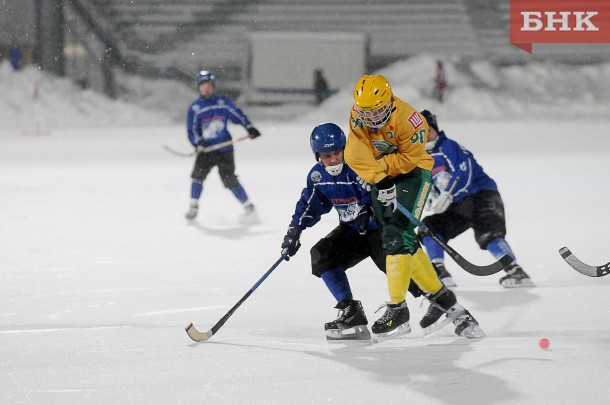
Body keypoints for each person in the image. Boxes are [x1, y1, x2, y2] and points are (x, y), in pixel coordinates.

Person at [343, 74, 483, 341]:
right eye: (366, 112)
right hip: (381, 177)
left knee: (396, 234)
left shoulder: (411, 120)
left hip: (413, 174)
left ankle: (398, 309)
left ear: (390, 102)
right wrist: (378, 177)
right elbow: (354, 152)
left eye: (378, 111)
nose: (371, 119)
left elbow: (409, 159)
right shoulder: (357, 113)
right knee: (402, 238)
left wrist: (380, 171)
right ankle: (446, 301)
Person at [280, 122, 431, 341]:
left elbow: (375, 189)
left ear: (344, 149)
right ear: (317, 156)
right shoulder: (317, 177)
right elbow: (309, 205)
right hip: (352, 231)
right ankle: (351, 312)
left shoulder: (359, 164)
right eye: (325, 155)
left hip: (380, 229)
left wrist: (367, 210)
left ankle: (444, 304)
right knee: (322, 254)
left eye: (336, 153)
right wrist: (294, 232)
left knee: (402, 270)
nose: (332, 160)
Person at [419, 109, 534, 288]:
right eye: (421, 132)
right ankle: (439, 271)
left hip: (481, 196)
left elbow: (464, 173)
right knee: (429, 228)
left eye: (429, 130)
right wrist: (432, 199)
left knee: (488, 232)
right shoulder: (421, 158)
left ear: (436, 129)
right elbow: (428, 186)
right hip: (458, 204)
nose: (426, 135)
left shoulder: (448, 146)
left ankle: (515, 271)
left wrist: (447, 194)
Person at [185, 70, 261, 223]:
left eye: (208, 85)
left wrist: (249, 127)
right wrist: (198, 143)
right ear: (199, 88)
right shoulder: (195, 108)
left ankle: (248, 206)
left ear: (213, 86)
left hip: (225, 150)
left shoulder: (223, 102)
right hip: (206, 150)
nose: (206, 88)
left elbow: (237, 115)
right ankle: (193, 206)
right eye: (203, 85)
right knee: (197, 176)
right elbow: (192, 130)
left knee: (230, 180)